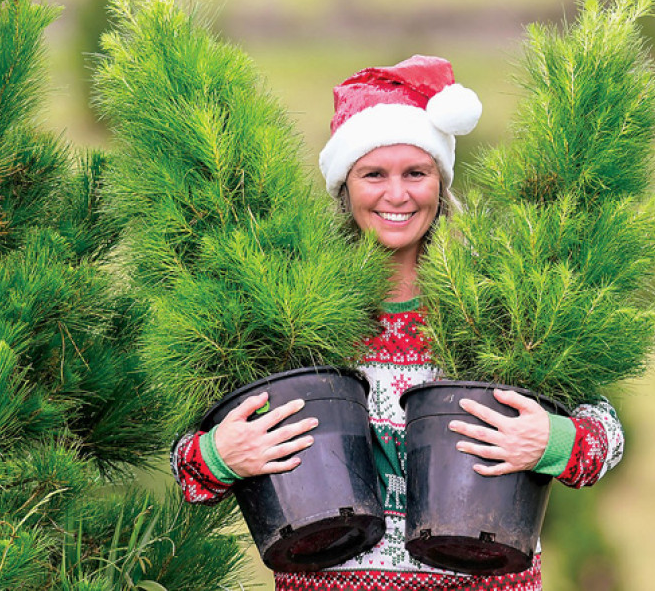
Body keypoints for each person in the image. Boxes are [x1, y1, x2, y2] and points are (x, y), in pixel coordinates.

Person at [172, 55, 624, 590]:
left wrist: (550, 442)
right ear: (345, 186)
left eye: (416, 173)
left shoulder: (495, 302)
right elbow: (188, 472)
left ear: (440, 182)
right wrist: (221, 455)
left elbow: (606, 436)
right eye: (373, 175)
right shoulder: (294, 309)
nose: (397, 195)